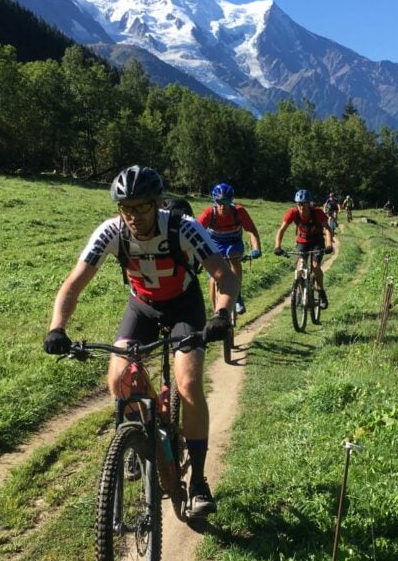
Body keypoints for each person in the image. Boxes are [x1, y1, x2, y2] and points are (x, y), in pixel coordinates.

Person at [43, 165, 239, 518]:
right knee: (118, 380)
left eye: (141, 207)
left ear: (158, 202)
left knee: (189, 383)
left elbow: (223, 274)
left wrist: (221, 315)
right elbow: (73, 284)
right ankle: (144, 435)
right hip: (143, 307)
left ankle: (197, 482)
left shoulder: (182, 227)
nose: (133, 216)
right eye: (126, 207)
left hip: (184, 306)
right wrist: (57, 328)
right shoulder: (111, 232)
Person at [197, 183, 262, 315]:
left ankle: (237, 295)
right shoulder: (209, 214)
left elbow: (251, 231)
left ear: (231, 201)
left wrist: (256, 248)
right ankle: (216, 313)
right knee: (213, 278)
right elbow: (195, 233)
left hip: (234, 242)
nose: (222, 206)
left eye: (226, 202)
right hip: (214, 244)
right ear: (215, 201)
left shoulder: (239, 212)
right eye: (219, 202)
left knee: (234, 257)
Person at [273, 189, 334, 309]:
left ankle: (321, 293)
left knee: (315, 265)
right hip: (302, 241)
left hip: (317, 241)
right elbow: (281, 229)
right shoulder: (293, 213)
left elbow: (327, 229)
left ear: (308, 204)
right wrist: (277, 246)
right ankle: (300, 293)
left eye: (304, 204)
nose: (301, 207)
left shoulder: (317, 212)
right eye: (299, 204)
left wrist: (329, 245)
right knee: (300, 266)